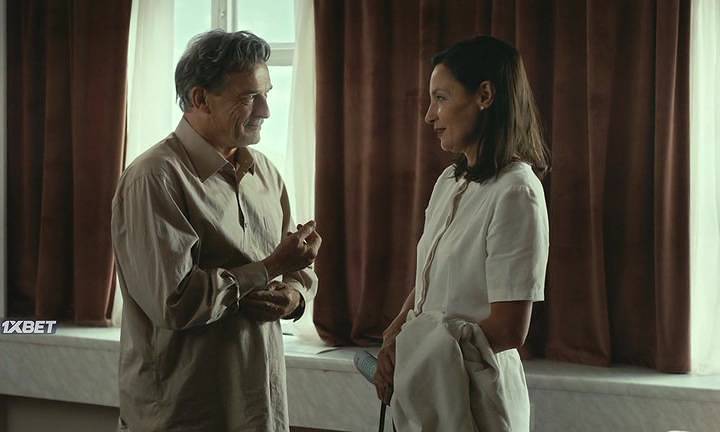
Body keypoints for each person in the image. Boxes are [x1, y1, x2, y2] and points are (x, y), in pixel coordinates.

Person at [111, 30, 321, 432]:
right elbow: (174, 302)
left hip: (260, 409)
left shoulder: (266, 174)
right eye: (249, 97)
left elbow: (295, 271)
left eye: (267, 94)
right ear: (200, 99)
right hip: (184, 414)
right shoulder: (154, 179)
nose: (266, 110)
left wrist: (295, 296)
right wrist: (269, 267)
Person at [374, 35, 550, 430]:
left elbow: (509, 329)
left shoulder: (516, 191)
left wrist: (414, 353)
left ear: (484, 95)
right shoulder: (449, 182)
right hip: (427, 396)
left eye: (441, 98)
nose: (428, 116)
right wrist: (396, 331)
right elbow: (431, 283)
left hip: (478, 404)